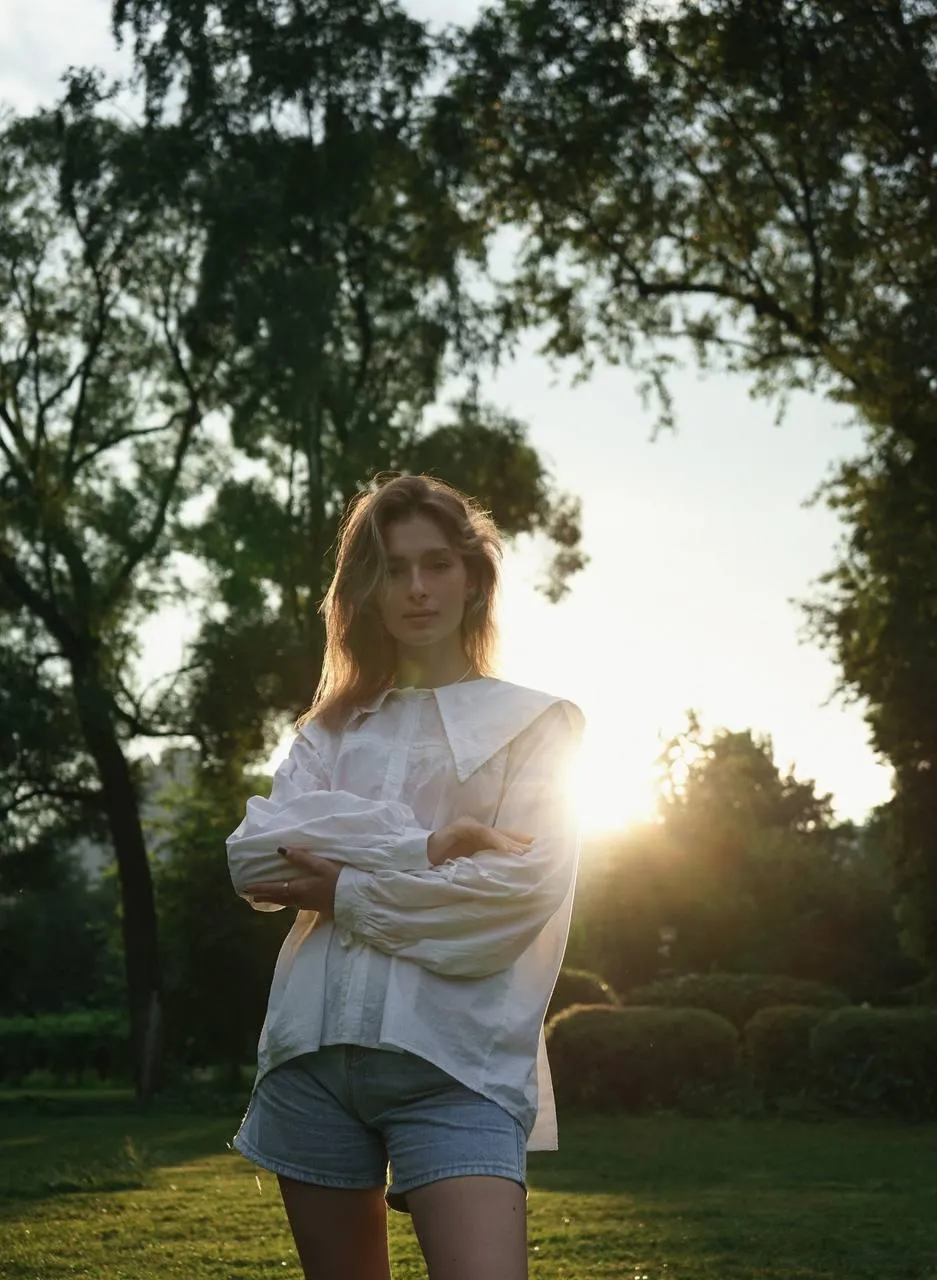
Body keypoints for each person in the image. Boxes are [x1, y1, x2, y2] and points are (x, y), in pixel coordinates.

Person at [226, 473, 584, 1280]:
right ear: (366, 588)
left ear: (473, 576)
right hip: (311, 1058)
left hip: (455, 1066)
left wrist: (344, 888)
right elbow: (254, 855)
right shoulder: (329, 729)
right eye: (391, 568)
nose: (416, 588)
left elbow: (508, 899)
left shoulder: (537, 724)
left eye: (436, 564)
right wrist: (429, 848)